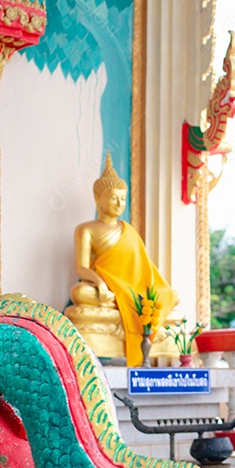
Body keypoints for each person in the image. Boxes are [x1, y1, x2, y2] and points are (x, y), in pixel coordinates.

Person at [69, 153, 179, 366]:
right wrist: (100, 284)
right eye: (113, 197)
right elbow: (81, 267)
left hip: (135, 288)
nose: (119, 203)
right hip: (108, 288)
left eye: (122, 198)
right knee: (80, 293)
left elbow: (144, 268)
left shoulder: (128, 231)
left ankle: (142, 327)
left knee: (172, 295)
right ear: (98, 199)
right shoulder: (86, 230)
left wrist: (153, 289)